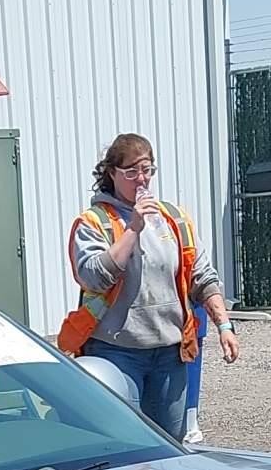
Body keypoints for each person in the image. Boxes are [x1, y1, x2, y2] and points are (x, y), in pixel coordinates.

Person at [59, 133, 239, 437]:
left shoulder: (174, 219)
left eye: (147, 170)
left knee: (169, 444)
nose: (140, 180)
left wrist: (224, 327)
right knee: (125, 440)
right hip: (116, 351)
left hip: (170, 352)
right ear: (112, 173)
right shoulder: (94, 222)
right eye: (131, 172)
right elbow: (93, 276)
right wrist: (132, 229)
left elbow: (202, 277)